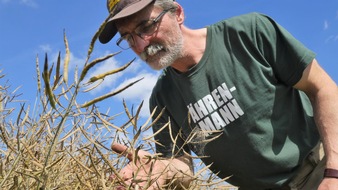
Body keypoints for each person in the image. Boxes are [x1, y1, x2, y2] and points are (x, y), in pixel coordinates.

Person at [98, 0, 338, 189]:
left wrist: (333, 171)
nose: (141, 46)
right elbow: (183, 170)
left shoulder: (249, 33)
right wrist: (162, 170)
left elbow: (323, 88)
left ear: (178, 13)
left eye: (146, 27)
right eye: (128, 37)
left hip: (320, 165)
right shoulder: (162, 98)